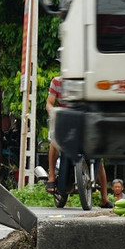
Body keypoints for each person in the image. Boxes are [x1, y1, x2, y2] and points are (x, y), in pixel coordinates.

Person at [46, 75, 112, 209]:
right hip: (65, 122)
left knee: (99, 158)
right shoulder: (56, 82)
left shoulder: (89, 80)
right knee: (55, 141)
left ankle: (104, 198)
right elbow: (49, 103)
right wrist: (53, 112)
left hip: (85, 123)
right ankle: (51, 177)